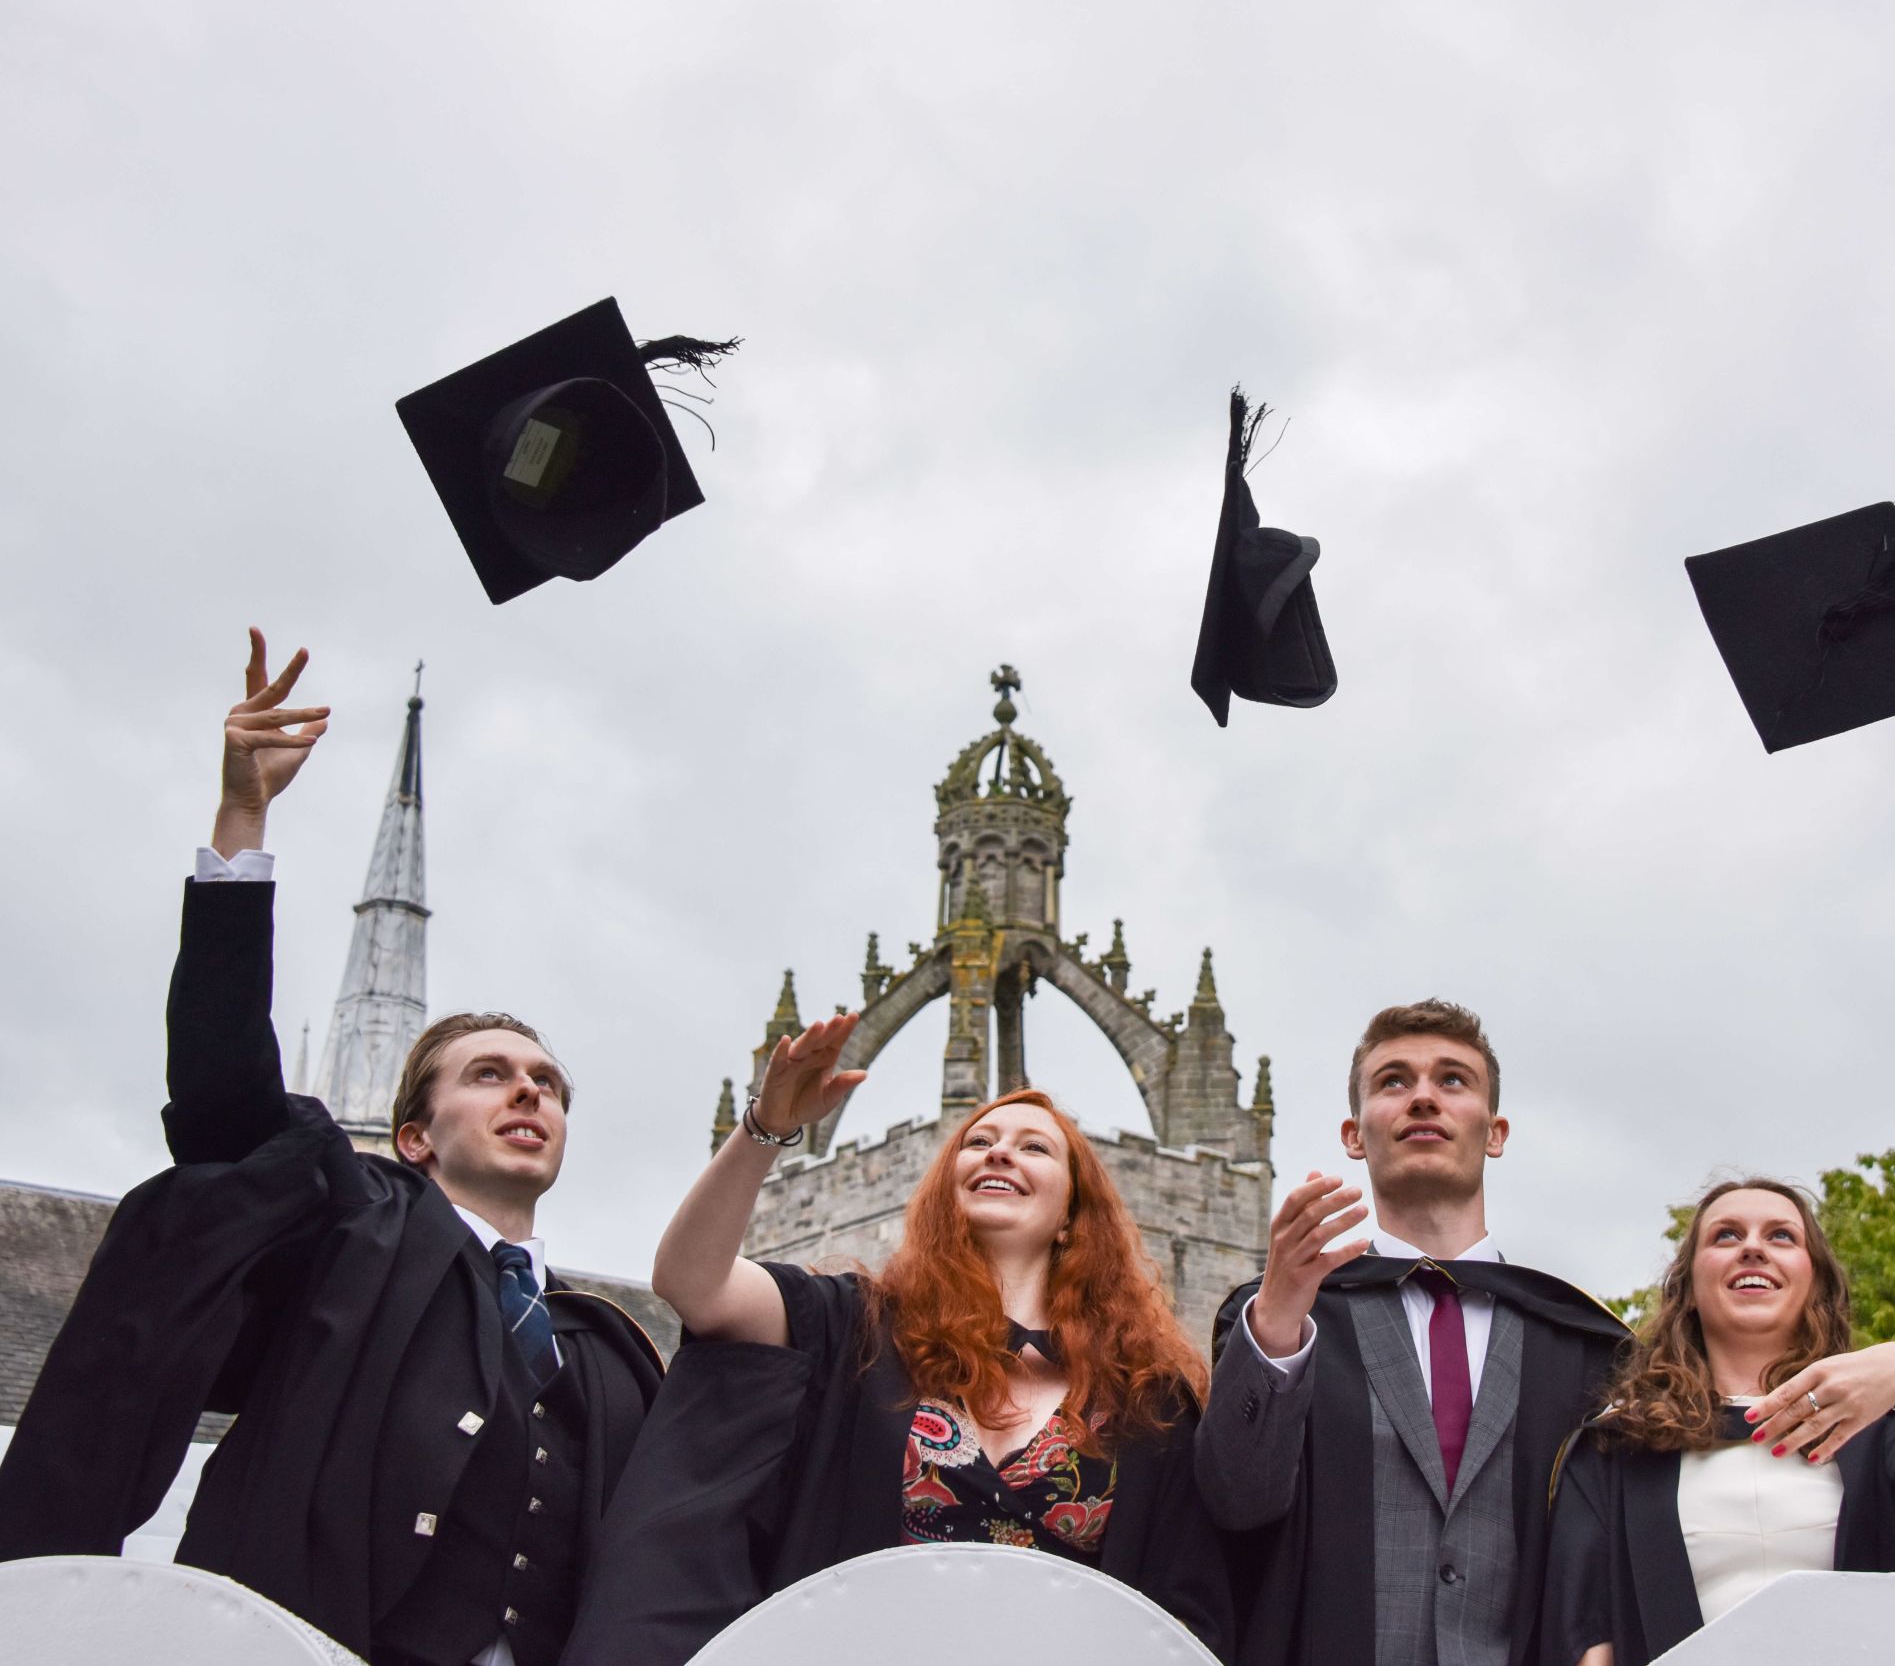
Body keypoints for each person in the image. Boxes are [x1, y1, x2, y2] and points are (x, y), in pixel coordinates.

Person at [0, 632, 665, 1666]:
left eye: (548, 1083)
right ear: (412, 1137)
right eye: (489, 1072)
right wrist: (242, 822)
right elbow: (224, 1096)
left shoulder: (605, 1343)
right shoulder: (352, 1229)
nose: (530, 1087)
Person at [561, 1027, 1233, 1664]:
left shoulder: (1149, 1398)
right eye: (978, 1142)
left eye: (1034, 1147)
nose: (999, 1151)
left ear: (1071, 1215)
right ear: (947, 1188)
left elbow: (1181, 1616)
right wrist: (766, 1127)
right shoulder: (854, 1326)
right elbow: (690, 1280)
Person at [1195, 1000, 1631, 1666]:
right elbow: (1234, 1502)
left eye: (1453, 1080)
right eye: (1393, 1080)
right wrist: (1278, 1318)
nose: (1423, 1096)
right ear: (1353, 1133)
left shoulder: (1581, 1342)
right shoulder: (1289, 1317)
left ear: (1495, 1131)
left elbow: (1613, 1563)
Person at [1540, 1177, 1895, 1664]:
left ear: (1815, 1281)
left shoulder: (1876, 1428)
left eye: (1781, 1235)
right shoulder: (1619, 1445)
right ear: (1690, 1289)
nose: (1752, 1249)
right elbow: (1587, 1638)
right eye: (1726, 1235)